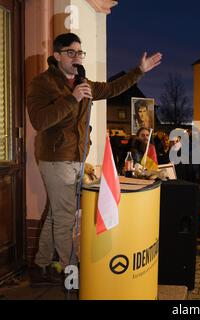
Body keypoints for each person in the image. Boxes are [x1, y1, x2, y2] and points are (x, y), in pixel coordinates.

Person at [26, 32, 162, 286]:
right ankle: (72, 274)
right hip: (55, 158)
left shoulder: (83, 81)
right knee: (65, 218)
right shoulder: (42, 83)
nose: (77, 57)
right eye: (71, 53)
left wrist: (138, 71)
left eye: (80, 52)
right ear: (57, 56)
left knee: (57, 214)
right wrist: (72, 97)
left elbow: (111, 89)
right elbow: (39, 120)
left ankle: (40, 265)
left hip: (77, 158)